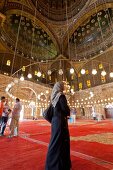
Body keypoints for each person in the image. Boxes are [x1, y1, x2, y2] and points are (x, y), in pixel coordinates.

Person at [45, 82, 71, 170]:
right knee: (61, 143)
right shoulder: (61, 95)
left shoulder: (53, 97)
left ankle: (54, 164)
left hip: (54, 122)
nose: (64, 87)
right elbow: (65, 109)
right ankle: (57, 166)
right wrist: (68, 109)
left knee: (55, 142)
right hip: (60, 122)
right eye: (63, 86)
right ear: (60, 87)